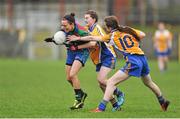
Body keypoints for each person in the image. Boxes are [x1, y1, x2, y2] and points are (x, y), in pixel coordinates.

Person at [67, 16, 170, 112]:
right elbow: (143, 34)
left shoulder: (111, 36)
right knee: (149, 82)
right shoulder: (127, 30)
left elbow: (93, 38)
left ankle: (101, 108)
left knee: (111, 82)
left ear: (108, 27)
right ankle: (162, 101)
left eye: (106, 26)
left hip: (133, 60)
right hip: (142, 58)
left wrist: (78, 39)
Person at [69, 10, 124, 111]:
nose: (85, 20)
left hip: (108, 56)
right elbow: (80, 30)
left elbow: (93, 44)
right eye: (84, 18)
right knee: (102, 84)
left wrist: (77, 46)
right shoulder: (88, 28)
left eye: (87, 18)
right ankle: (116, 105)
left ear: (94, 19)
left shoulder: (96, 28)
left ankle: (119, 93)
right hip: (98, 59)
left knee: (102, 80)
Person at [44, 13, 89, 110]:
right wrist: (53, 39)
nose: (63, 27)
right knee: (69, 78)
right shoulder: (64, 30)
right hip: (71, 52)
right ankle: (81, 93)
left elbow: (91, 43)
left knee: (73, 74)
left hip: (81, 52)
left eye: (65, 25)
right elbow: (61, 38)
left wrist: (77, 43)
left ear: (72, 24)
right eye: (62, 25)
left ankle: (78, 99)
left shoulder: (81, 31)